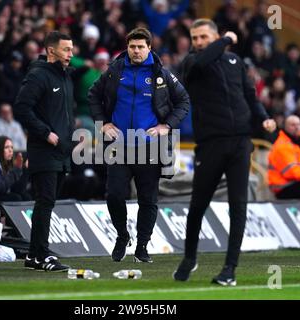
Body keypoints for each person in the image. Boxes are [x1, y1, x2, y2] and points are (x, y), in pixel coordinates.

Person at [173, 19, 276, 285]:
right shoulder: (192, 63)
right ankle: (189, 257)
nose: (197, 42)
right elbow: (203, 60)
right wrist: (226, 39)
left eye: (203, 37)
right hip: (210, 144)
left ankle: (230, 269)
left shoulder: (235, 62)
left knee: (238, 206)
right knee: (198, 206)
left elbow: (250, 95)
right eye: (194, 38)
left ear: (213, 35)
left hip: (240, 142)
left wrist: (263, 117)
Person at [88, 27, 190, 263]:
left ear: (149, 48)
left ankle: (142, 246)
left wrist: (167, 126)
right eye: (132, 47)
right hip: (119, 145)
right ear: (128, 47)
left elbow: (183, 101)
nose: (135, 51)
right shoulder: (115, 71)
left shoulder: (161, 74)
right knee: (114, 195)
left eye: (140, 47)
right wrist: (102, 123)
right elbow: (93, 95)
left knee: (148, 199)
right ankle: (122, 236)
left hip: (149, 147)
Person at [14, 31, 75, 272]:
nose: (71, 54)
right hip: (43, 150)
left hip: (61, 152)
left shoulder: (65, 77)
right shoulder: (38, 75)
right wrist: (46, 133)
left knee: (48, 202)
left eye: (71, 49)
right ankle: (40, 255)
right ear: (51, 51)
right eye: (66, 49)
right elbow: (21, 108)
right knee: (45, 201)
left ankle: (33, 256)